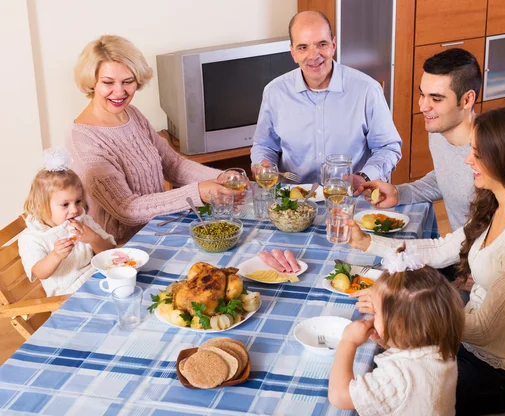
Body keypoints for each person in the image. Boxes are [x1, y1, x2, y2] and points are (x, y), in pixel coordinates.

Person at [344, 107, 505, 415]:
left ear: (504, 159)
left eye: (476, 154)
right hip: (467, 347)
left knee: (377, 390)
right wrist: (367, 242)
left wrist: (402, 311)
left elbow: (484, 329)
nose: (467, 161)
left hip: (496, 373)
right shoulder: (500, 201)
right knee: (382, 362)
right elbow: (442, 249)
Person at [357, 48, 505, 232]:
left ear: (467, 100)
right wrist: (399, 193)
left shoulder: (495, 153)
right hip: (464, 253)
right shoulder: (438, 131)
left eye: (436, 99)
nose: (423, 106)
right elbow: (446, 176)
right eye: (422, 94)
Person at [67, 35, 239, 244]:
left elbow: (172, 164)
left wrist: (223, 179)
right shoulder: (84, 141)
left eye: (128, 81)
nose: (119, 92)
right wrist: (198, 192)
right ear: (91, 82)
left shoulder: (132, 114)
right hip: (122, 249)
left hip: (159, 230)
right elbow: (127, 209)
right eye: (108, 82)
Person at [250, 11, 402, 186]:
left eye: (322, 44)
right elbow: (264, 145)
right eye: (303, 47)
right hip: (292, 201)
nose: (314, 56)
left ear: (333, 45)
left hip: (350, 196)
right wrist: (263, 164)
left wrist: (364, 177)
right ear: (293, 53)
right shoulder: (274, 92)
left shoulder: (367, 89)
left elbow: (388, 147)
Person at [328, 246, 465, 416]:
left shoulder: (398, 377)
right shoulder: (443, 345)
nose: (373, 316)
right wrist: (386, 339)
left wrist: (347, 342)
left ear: (398, 325)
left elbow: (340, 397)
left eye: (376, 312)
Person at [18, 148, 116, 297]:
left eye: (78, 201)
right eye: (65, 205)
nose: (74, 210)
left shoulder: (82, 221)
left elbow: (110, 251)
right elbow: (39, 272)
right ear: (41, 205)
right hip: (70, 296)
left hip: (99, 280)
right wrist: (56, 255)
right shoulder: (33, 237)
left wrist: (93, 238)